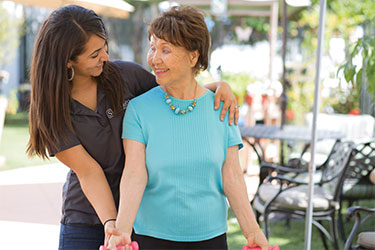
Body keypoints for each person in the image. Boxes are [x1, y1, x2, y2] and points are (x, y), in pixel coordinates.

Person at [26, 5, 239, 250]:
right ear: (67, 61)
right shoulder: (52, 111)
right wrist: (113, 224)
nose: (105, 57)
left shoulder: (126, 76)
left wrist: (216, 87)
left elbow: (174, 94)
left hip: (139, 212)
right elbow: (89, 172)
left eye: (104, 48)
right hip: (86, 218)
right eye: (94, 55)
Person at [107, 6, 270, 250]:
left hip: (210, 238)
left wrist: (253, 232)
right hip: (152, 237)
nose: (154, 58)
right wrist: (123, 231)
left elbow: (232, 176)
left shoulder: (222, 107)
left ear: (193, 56)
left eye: (166, 50)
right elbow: (134, 175)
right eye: (153, 47)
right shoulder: (139, 109)